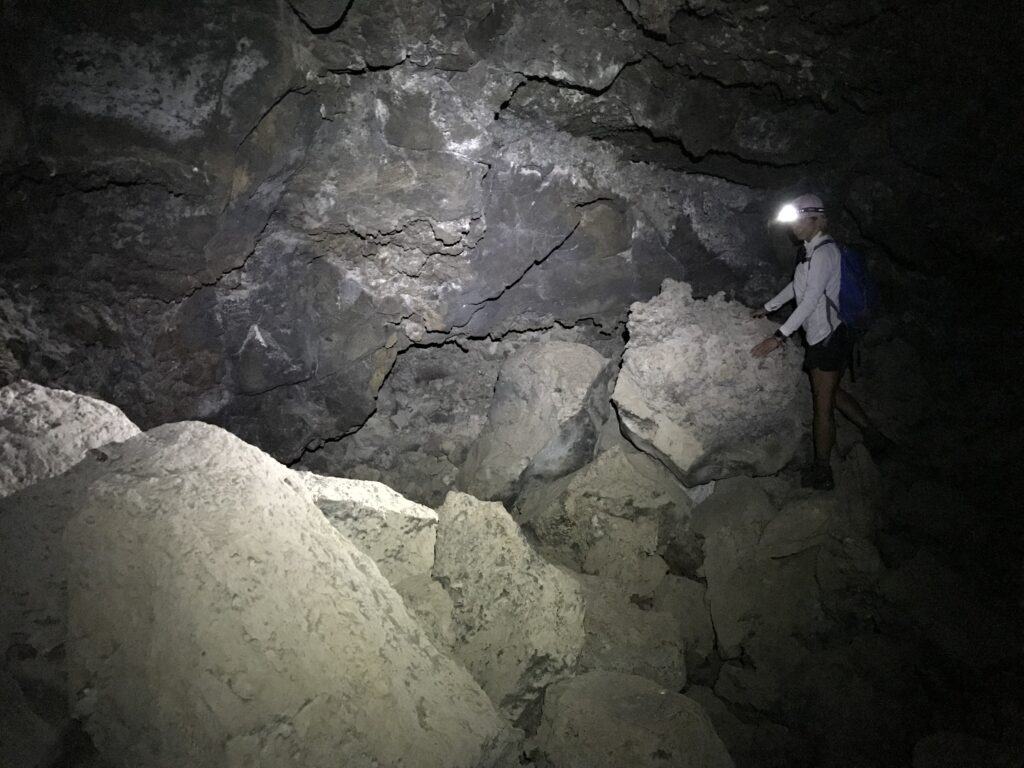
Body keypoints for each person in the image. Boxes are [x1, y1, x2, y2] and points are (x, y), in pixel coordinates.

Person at [750, 193, 887, 490]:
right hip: (821, 336)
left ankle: (823, 471)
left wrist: (779, 336)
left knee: (821, 405)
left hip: (828, 338)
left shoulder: (825, 253)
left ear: (816, 219)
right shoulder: (809, 251)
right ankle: (875, 436)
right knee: (832, 393)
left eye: (799, 219)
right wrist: (769, 308)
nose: (793, 226)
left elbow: (810, 300)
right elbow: (796, 287)